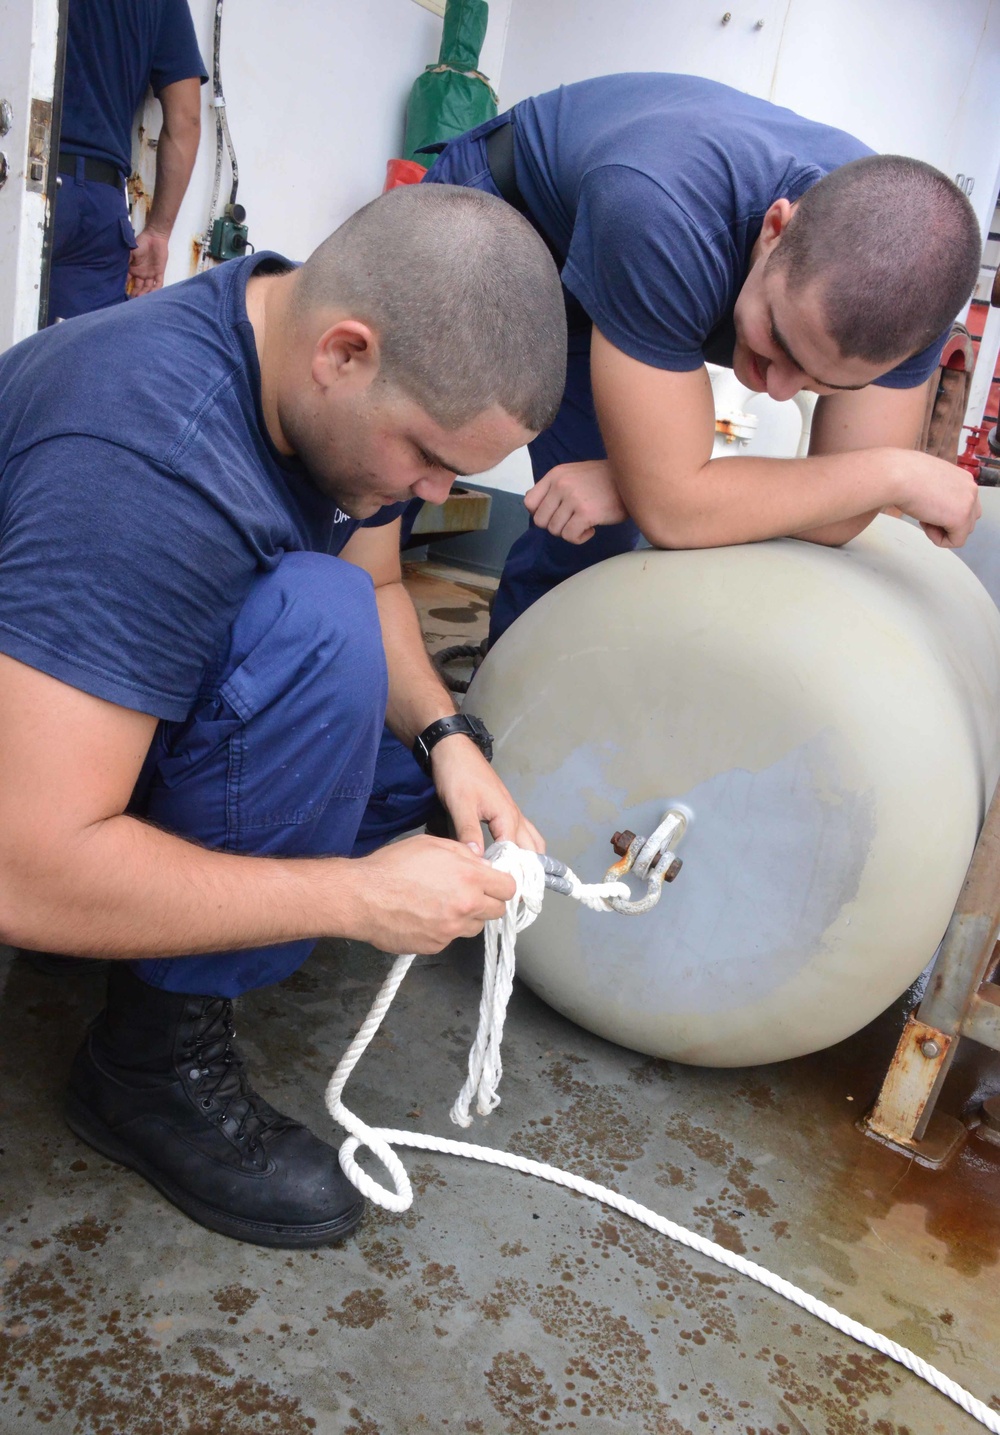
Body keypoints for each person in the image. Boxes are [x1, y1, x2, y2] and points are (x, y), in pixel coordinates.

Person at [0, 183, 567, 1248]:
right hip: (25, 778)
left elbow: (388, 585)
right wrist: (353, 898)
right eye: (429, 456)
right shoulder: (149, 463)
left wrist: (448, 746)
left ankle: (156, 888)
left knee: (400, 762)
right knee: (316, 626)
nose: (436, 487)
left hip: (78, 703)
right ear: (344, 352)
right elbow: (18, 866)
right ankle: (146, 1065)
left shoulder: (298, 353)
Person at [421, 72, 984, 644]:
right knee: (401, 461)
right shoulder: (663, 211)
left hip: (641, 260)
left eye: (824, 383)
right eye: (781, 341)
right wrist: (897, 473)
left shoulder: (912, 292)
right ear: (773, 231)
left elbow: (834, 516)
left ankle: (506, 708)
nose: (779, 389)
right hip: (508, 215)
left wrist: (649, 486)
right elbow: (679, 512)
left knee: (592, 532)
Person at [49, 0, 206, 322]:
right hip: (99, 206)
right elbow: (186, 120)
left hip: (21, 172)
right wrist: (159, 232)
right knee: (73, 359)